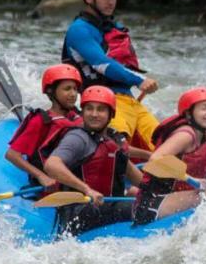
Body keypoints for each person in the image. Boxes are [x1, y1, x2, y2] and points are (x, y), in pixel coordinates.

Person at [61, 0, 160, 155]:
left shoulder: (113, 27)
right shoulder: (79, 30)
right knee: (118, 148)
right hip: (101, 103)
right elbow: (102, 64)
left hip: (129, 100)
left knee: (165, 141)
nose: (111, 1)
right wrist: (139, 80)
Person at [40, 85, 145, 237]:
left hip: (105, 206)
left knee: (141, 196)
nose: (94, 114)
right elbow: (52, 165)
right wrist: (86, 189)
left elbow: (139, 179)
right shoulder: (77, 138)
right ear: (82, 112)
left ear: (111, 114)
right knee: (144, 207)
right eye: (89, 109)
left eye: (101, 109)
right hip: (78, 213)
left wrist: (162, 190)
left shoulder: (112, 141)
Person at [133, 87, 206, 225]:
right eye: (204, 108)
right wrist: (191, 179)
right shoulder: (185, 135)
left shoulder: (205, 136)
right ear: (189, 114)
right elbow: (156, 159)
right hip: (151, 204)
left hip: (171, 198)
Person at [4, 64, 82, 189]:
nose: (73, 94)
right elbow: (12, 155)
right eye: (67, 89)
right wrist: (41, 176)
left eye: (75, 89)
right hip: (52, 183)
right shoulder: (41, 121)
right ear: (51, 92)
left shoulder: (79, 117)